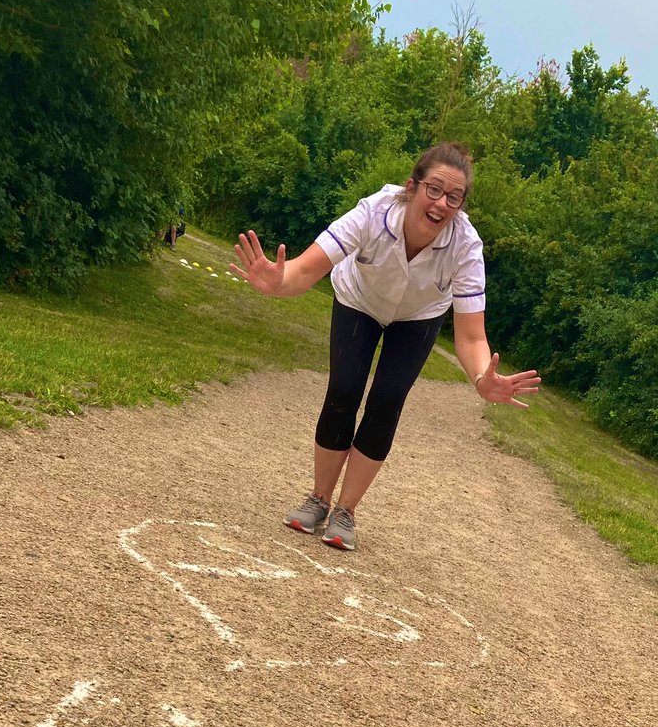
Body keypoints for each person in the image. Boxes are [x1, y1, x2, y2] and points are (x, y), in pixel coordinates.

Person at [228, 141, 540, 552]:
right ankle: (319, 498)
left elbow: (470, 336)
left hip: (419, 316)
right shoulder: (373, 212)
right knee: (344, 389)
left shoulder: (467, 247)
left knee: (388, 399)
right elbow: (305, 270)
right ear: (412, 187)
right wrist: (278, 282)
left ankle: (346, 511)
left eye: (454, 197)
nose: (442, 203)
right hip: (359, 300)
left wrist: (482, 378)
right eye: (434, 189)